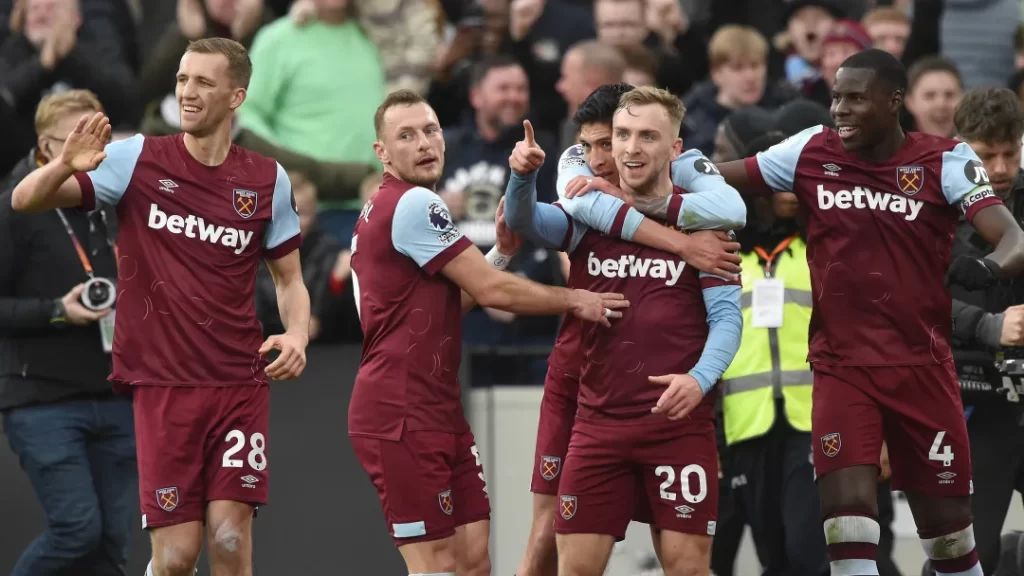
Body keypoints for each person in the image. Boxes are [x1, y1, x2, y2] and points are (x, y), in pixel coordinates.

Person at [712, 48, 1024, 576]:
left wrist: (991, 270)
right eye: (836, 97)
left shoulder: (945, 159)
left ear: (894, 101)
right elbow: (720, 176)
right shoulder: (811, 151)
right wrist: (650, 177)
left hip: (923, 370)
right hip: (842, 368)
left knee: (953, 546)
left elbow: (1013, 237)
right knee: (847, 527)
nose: (840, 109)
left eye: (855, 98)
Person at [10, 38, 310, 576]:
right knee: (174, 559)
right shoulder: (136, 158)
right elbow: (24, 199)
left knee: (227, 536)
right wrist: (63, 166)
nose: (187, 93)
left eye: (203, 82)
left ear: (237, 95)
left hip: (237, 383)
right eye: (181, 79)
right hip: (162, 385)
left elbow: (289, 279)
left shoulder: (268, 179)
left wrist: (296, 334)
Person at [346, 88, 629, 576]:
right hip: (400, 409)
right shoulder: (413, 203)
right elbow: (494, 292)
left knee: (474, 561)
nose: (424, 143)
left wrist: (500, 250)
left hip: (437, 405)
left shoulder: (400, 206)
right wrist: (575, 298)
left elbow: (452, 302)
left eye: (430, 130)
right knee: (436, 565)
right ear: (382, 152)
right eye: (406, 136)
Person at [506, 82, 747, 576]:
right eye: (622, 135)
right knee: (571, 566)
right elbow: (522, 220)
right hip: (598, 425)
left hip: (677, 425)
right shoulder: (583, 216)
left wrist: (699, 380)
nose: (630, 149)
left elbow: (727, 319)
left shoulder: (705, 223)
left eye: (647, 137)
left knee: (689, 568)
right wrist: (521, 178)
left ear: (675, 149)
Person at [0, 90, 136, 576]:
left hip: (116, 394)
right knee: (77, 529)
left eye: (99, 144)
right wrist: (57, 311)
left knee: (112, 542)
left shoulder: (106, 196)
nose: (89, 157)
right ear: (44, 144)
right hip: (43, 399)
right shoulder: (14, 206)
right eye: (76, 144)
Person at [921, 87, 1024, 576]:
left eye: (1011, 152)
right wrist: (987, 326)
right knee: (968, 553)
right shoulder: (926, 208)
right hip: (967, 402)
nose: (1001, 169)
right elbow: (909, 303)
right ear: (961, 148)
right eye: (987, 155)